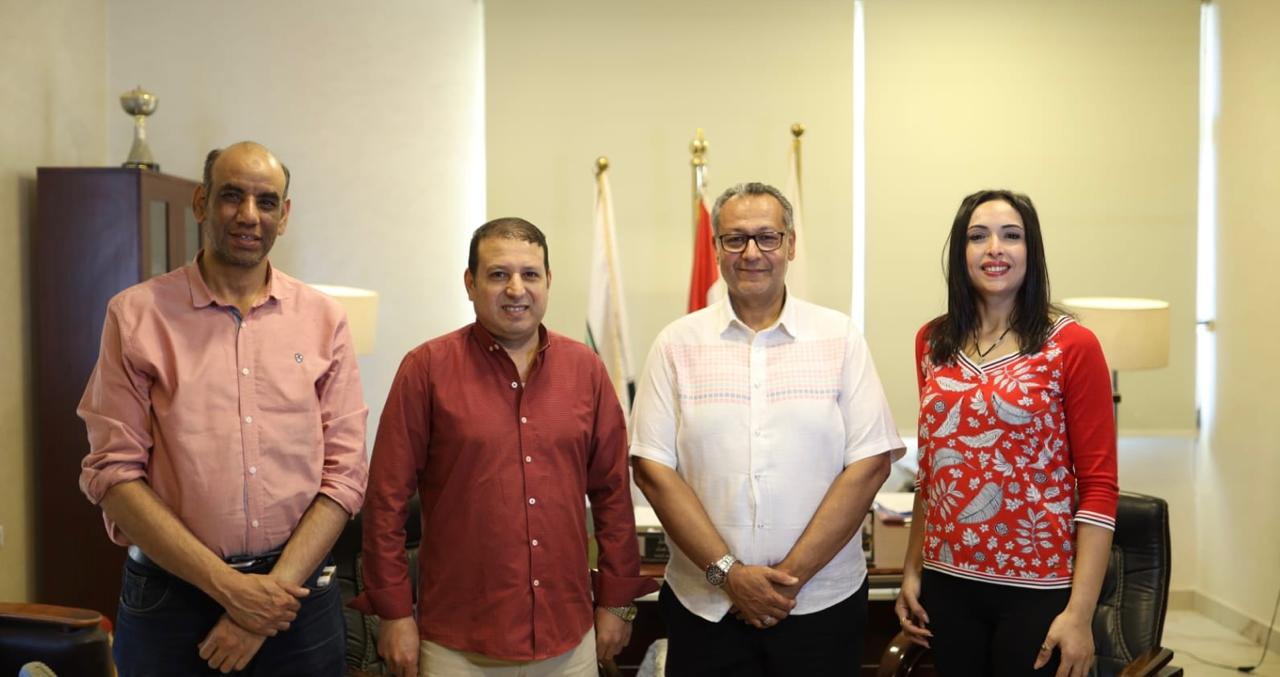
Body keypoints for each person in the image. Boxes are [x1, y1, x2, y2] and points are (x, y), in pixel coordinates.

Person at [78, 141, 369, 676]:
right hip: (171, 600)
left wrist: (264, 603)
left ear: (285, 215)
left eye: (266, 201)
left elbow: (345, 474)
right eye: (232, 196)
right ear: (201, 203)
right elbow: (113, 476)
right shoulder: (136, 316)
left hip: (296, 600)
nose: (248, 215)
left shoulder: (324, 320)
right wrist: (230, 590)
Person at [353, 217, 657, 677]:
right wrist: (394, 614)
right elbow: (385, 503)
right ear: (470, 283)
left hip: (568, 639)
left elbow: (613, 495)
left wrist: (617, 603)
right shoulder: (426, 369)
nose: (516, 289)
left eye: (530, 274)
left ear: (548, 281)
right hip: (458, 645)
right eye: (498, 274)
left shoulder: (587, 371)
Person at [630, 182, 905, 676]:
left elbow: (870, 464)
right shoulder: (676, 344)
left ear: (791, 244)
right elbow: (653, 470)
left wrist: (785, 582)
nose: (752, 253)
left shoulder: (839, 338)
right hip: (706, 610)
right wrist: (730, 576)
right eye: (735, 239)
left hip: (822, 606)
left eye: (767, 237)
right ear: (716, 247)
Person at [895, 189, 1118, 677]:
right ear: (961, 252)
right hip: (947, 583)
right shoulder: (932, 342)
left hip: (1037, 589)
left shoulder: (1072, 345)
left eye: (1011, 236)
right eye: (978, 237)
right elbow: (931, 473)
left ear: (1030, 250)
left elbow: (1099, 487)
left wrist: (1080, 615)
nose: (995, 248)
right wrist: (912, 569)